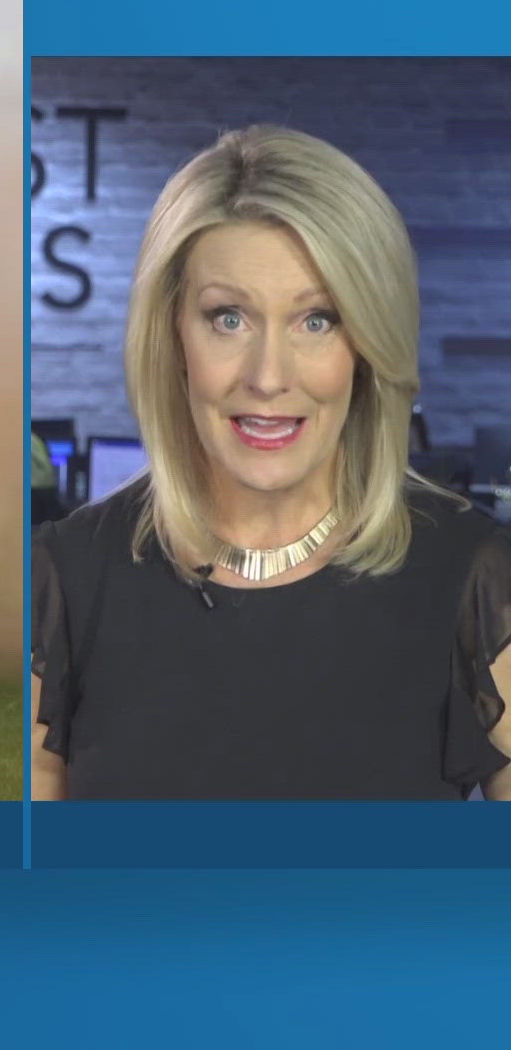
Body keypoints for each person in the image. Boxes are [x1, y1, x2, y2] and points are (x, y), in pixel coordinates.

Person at [32, 125, 511, 800]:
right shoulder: (66, 580)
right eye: (229, 317)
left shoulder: (474, 576)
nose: (267, 377)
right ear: (172, 334)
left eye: (317, 320)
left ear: (368, 343)